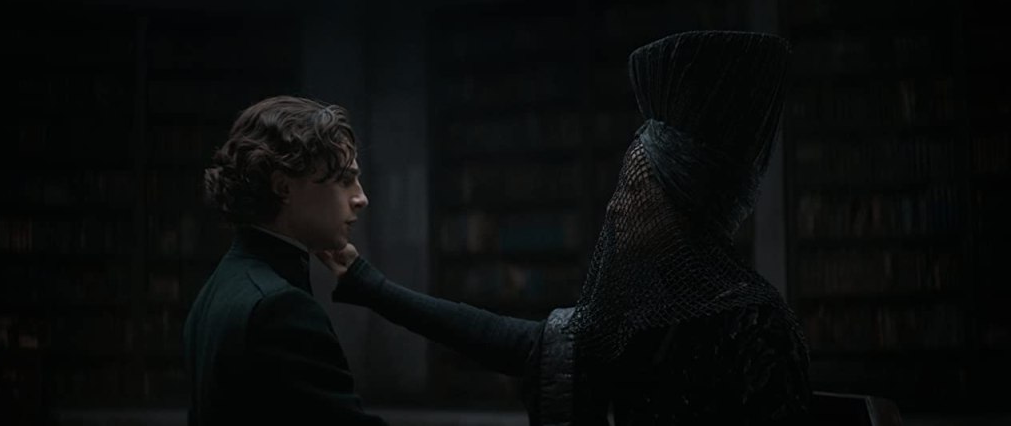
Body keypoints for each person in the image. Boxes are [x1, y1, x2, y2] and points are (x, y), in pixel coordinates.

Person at [323, 31, 811, 425]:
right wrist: (368, 284)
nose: (616, 207)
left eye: (635, 190)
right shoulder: (636, 315)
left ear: (681, 208)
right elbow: (507, 341)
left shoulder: (758, 325)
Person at [183, 96, 385, 425]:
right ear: (283, 187)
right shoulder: (281, 308)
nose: (361, 198)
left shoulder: (219, 286)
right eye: (344, 180)